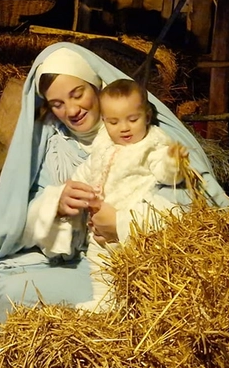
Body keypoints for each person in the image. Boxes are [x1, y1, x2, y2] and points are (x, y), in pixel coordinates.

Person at [0, 43, 229, 368]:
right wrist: (57, 206)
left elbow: (191, 215)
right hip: (80, 260)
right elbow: (25, 214)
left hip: (138, 270)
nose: (71, 110)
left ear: (96, 86)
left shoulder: (145, 139)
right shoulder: (54, 143)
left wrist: (122, 223)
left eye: (77, 93)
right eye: (57, 103)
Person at [65, 77, 187, 312]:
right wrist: (74, 186)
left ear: (147, 117)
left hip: (129, 225)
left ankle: (126, 304)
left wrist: (174, 163)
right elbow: (88, 168)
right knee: (99, 262)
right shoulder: (103, 143)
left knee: (127, 268)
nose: (124, 127)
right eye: (113, 121)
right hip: (99, 229)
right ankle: (105, 302)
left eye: (133, 119)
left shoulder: (151, 144)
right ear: (103, 121)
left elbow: (164, 171)